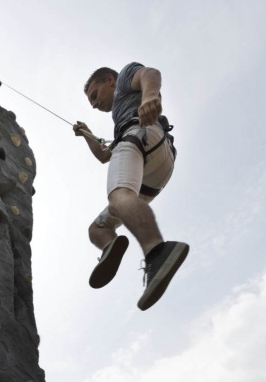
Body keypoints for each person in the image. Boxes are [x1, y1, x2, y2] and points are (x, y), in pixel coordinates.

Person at [74, 63, 189, 311]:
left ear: (110, 80)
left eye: (94, 95)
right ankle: (109, 245)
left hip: (143, 135)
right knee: (97, 228)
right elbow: (105, 156)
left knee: (119, 197)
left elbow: (151, 74)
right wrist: (86, 133)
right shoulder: (120, 118)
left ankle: (157, 251)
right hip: (156, 172)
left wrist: (149, 97)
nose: (94, 104)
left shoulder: (125, 79)